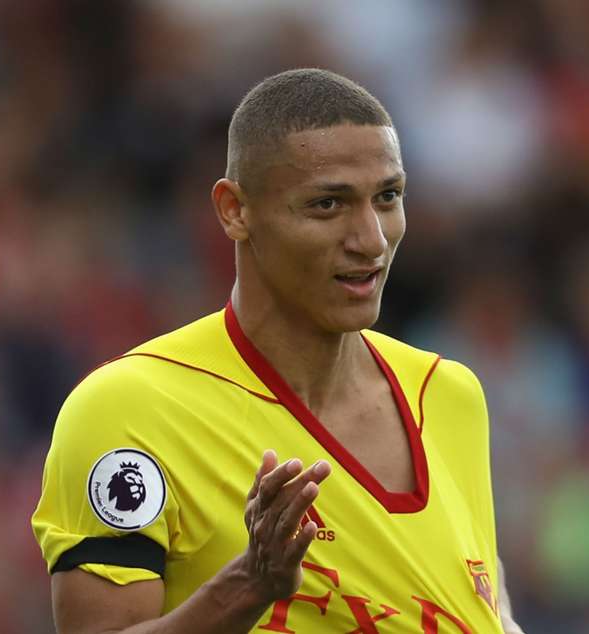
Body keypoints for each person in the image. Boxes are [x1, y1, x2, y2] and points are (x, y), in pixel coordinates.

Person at [32, 68, 525, 634]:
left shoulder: (448, 394)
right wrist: (249, 585)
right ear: (235, 211)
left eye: (388, 197)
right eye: (328, 204)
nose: (372, 239)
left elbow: (486, 608)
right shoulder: (130, 410)